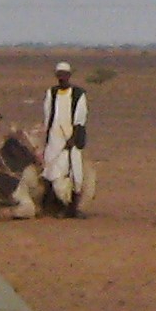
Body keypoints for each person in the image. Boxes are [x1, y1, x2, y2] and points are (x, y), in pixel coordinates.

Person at [39, 61, 91, 217]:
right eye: (59, 74)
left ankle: (72, 208)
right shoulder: (51, 93)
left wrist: (73, 139)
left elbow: (80, 119)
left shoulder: (78, 94)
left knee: (74, 174)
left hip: (70, 141)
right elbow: (48, 117)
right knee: (49, 171)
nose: (61, 77)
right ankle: (49, 206)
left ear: (69, 76)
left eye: (64, 74)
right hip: (54, 139)